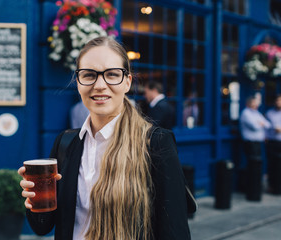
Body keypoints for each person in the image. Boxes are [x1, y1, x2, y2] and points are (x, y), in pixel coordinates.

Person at [19, 37, 191, 240]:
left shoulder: (156, 143)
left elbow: (175, 233)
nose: (100, 85)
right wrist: (34, 200)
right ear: (78, 82)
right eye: (89, 75)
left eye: (111, 74)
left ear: (127, 82)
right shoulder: (65, 143)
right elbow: (43, 227)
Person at [240, 95, 271, 200]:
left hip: (258, 143)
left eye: (256, 104)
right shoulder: (245, 113)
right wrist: (260, 123)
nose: (255, 106)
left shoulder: (257, 113)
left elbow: (267, 125)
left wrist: (261, 123)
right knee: (253, 165)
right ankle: (251, 191)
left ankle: (256, 190)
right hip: (250, 143)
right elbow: (255, 127)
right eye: (253, 104)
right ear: (248, 104)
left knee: (258, 166)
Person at [265, 95, 281, 194]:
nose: (278, 102)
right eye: (277, 100)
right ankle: (273, 186)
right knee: (272, 165)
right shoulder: (269, 113)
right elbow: (265, 126)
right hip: (272, 142)